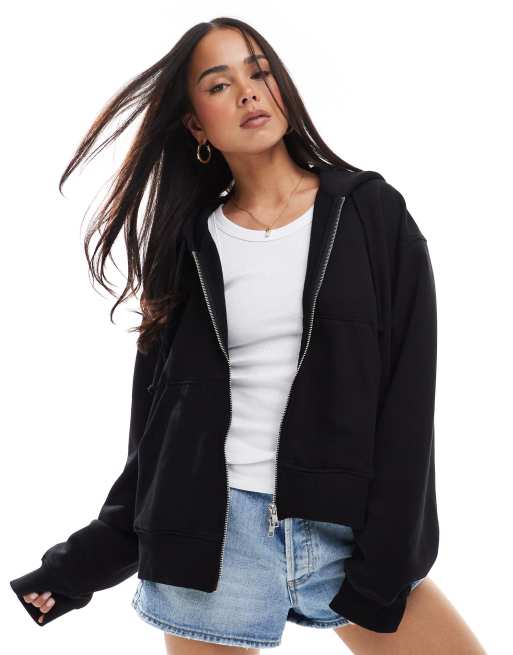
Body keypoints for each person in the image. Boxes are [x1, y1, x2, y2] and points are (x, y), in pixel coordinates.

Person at [10, 16, 487, 655]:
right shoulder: (186, 245)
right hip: (212, 541)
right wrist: (83, 563)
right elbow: (157, 431)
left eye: (259, 72)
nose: (248, 92)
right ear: (196, 126)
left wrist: (391, 554)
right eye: (219, 84)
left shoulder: (372, 214)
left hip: (345, 533)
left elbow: (408, 397)